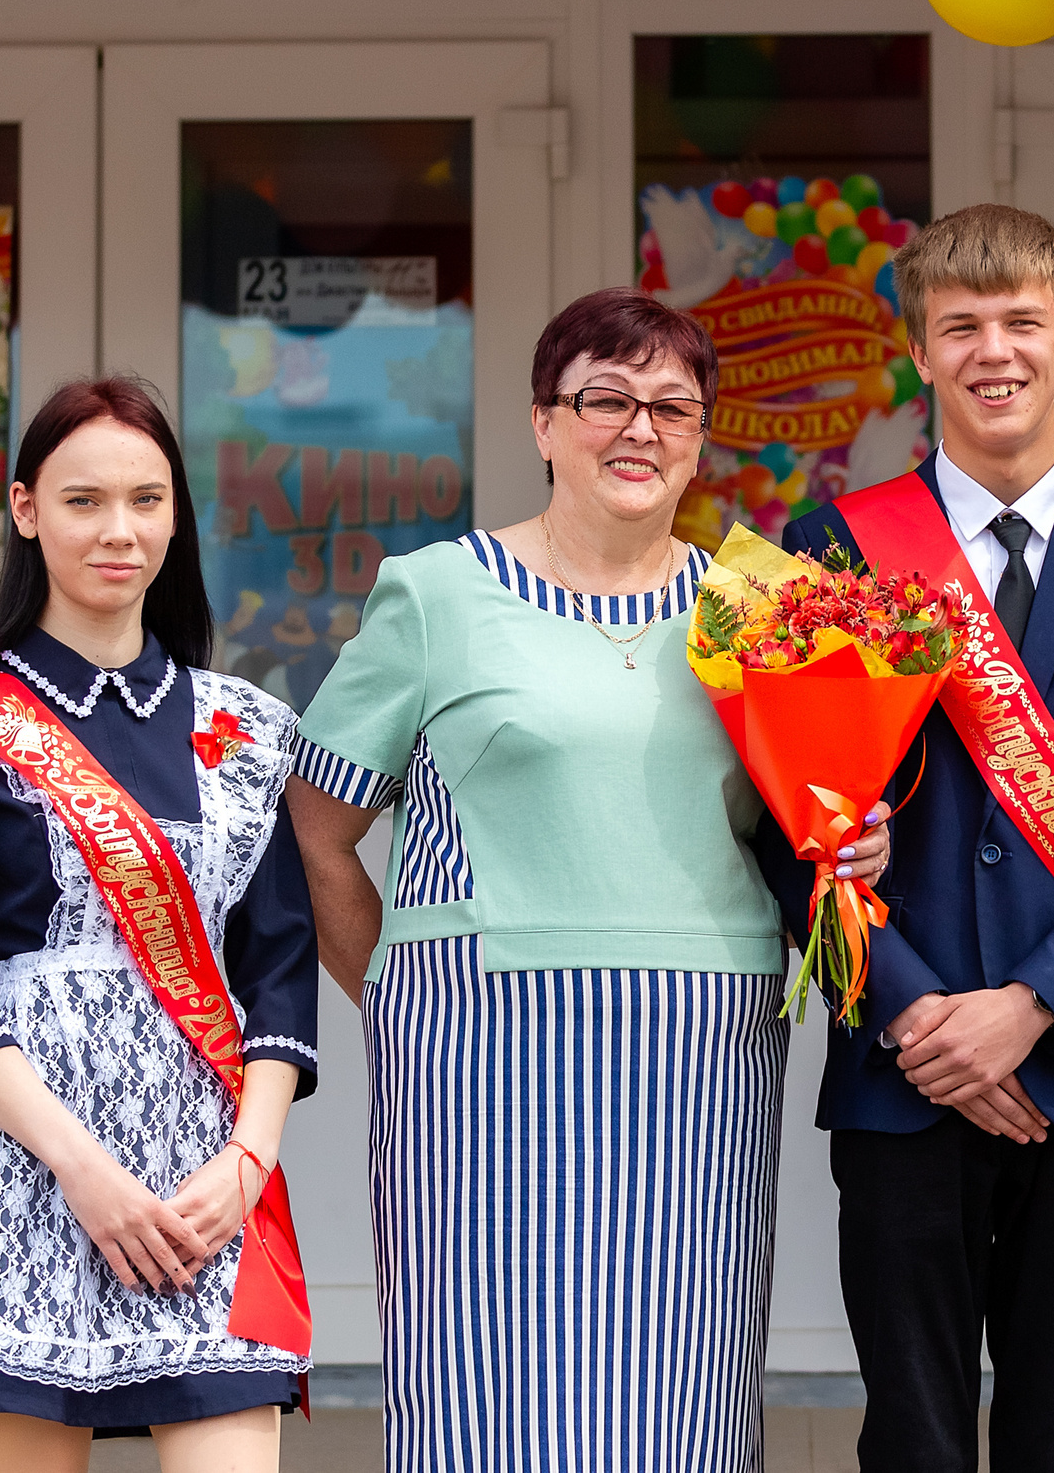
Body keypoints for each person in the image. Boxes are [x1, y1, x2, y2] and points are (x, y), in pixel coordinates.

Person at [285, 286, 887, 1473]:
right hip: (475, 1054)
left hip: (697, 1048)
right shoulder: (436, 592)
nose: (640, 429)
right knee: (482, 1386)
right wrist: (403, 993)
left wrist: (856, 846)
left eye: (672, 405)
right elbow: (315, 821)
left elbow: (810, 820)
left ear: (702, 437)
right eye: (603, 397)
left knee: (682, 1395)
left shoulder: (761, 607)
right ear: (542, 423)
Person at [761, 204, 1054, 1473]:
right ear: (921, 352)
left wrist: (1029, 1008)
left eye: (1022, 321)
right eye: (960, 325)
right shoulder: (836, 546)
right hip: (901, 1071)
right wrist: (919, 1016)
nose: (993, 350)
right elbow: (788, 826)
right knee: (909, 1434)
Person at [0, 377, 320, 1465]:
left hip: (206, 1179)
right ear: (25, 510)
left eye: (146, 500)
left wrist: (248, 1161)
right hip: (34, 1159)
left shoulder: (248, 727)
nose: (119, 531)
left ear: (176, 515)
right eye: (83, 501)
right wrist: (80, 1168)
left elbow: (281, 967)